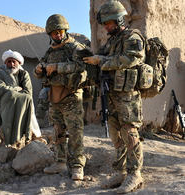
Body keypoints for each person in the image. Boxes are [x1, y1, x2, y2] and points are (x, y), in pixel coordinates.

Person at [83, 0, 144, 193]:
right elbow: (97, 57)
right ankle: (121, 172)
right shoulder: (111, 41)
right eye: (104, 24)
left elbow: (133, 58)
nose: (105, 27)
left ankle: (135, 174)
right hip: (111, 94)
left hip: (127, 95)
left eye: (108, 23)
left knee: (130, 133)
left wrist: (102, 61)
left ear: (118, 19)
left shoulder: (133, 37)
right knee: (116, 135)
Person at [33, 14, 90, 180]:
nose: (58, 35)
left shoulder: (74, 47)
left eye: (60, 31)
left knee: (75, 132)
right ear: (50, 34)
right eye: (54, 33)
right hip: (54, 96)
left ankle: (78, 166)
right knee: (57, 130)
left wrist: (57, 67)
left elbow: (81, 65)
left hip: (71, 96)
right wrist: (38, 70)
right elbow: (41, 72)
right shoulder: (50, 51)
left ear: (65, 31)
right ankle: (60, 162)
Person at [0, 50, 40, 146]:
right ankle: (9, 139)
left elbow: (28, 92)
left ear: (19, 63)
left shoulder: (24, 74)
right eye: (9, 61)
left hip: (22, 103)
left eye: (14, 61)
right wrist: (16, 89)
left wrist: (11, 91)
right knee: (11, 94)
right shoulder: (1, 73)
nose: (12, 64)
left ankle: (24, 137)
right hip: (5, 103)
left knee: (26, 98)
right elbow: (0, 90)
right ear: (5, 62)